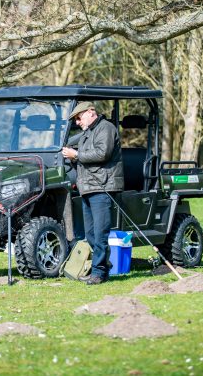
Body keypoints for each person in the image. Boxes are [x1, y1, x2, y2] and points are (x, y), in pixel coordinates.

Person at [61, 101, 124, 285]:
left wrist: (77, 155)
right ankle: (103, 268)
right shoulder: (86, 134)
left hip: (103, 187)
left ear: (90, 112)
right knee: (90, 234)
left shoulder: (106, 128)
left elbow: (102, 153)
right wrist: (73, 158)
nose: (78, 122)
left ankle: (98, 273)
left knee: (100, 233)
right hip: (87, 188)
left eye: (79, 118)